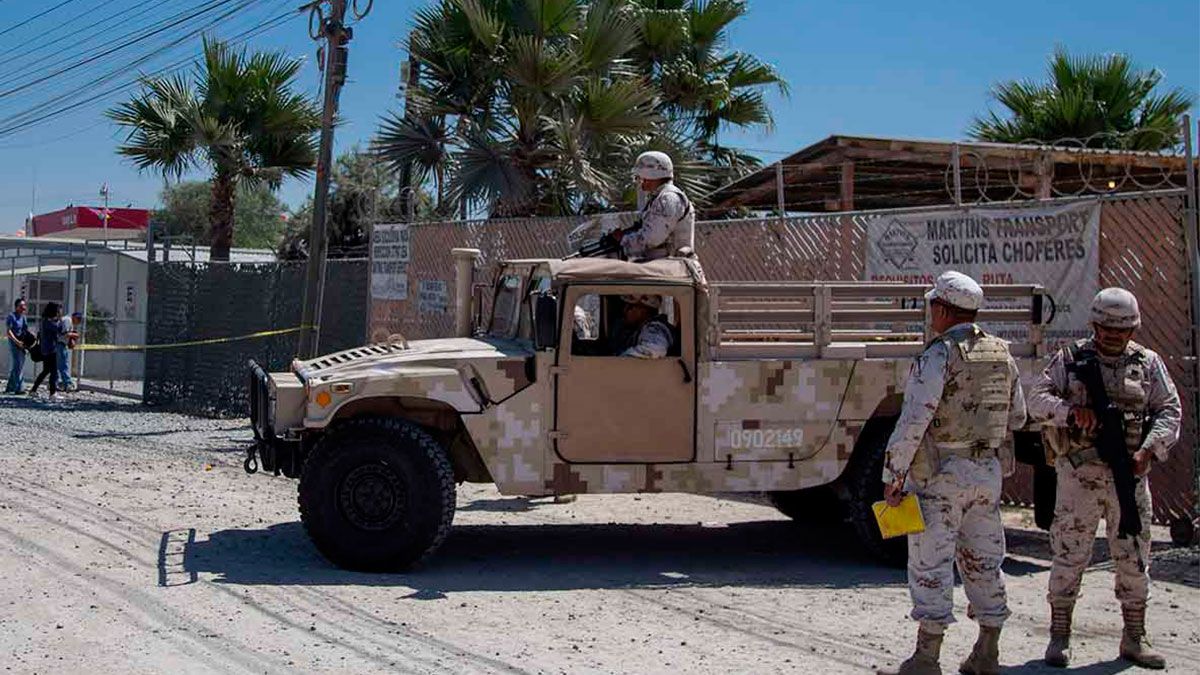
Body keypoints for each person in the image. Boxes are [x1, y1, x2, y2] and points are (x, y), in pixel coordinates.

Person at [877, 271, 1026, 675]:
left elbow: (913, 420)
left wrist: (894, 475)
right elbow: (1019, 415)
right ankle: (987, 652)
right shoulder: (1001, 353)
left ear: (942, 309)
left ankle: (927, 658)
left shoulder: (938, 355)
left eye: (932, 307)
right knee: (983, 560)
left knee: (931, 561)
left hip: (941, 473)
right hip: (987, 472)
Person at [1026, 288, 1180, 670]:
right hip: (1080, 475)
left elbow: (1169, 410)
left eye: (1122, 328)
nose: (1113, 335)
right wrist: (1070, 412)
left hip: (1129, 476)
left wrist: (1149, 450)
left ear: (1133, 328)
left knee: (1133, 556)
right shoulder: (1072, 359)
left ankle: (1134, 637)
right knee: (1069, 555)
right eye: (1107, 328)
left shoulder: (1148, 363)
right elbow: (1036, 399)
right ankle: (1059, 635)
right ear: (1094, 324)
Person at [611, 151, 695, 261]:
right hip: (659, 265)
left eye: (642, 177)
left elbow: (653, 238)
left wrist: (624, 239)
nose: (640, 182)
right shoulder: (658, 198)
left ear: (652, 175)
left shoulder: (669, 198)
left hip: (672, 267)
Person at [614, 295, 673, 359]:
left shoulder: (655, 329)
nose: (625, 310)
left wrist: (615, 363)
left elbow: (654, 349)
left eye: (630, 307)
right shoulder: (635, 329)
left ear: (643, 311)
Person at [29, 302, 63, 400]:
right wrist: (60, 319)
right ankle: (53, 393)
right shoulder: (48, 322)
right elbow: (59, 329)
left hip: (46, 349)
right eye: (58, 311)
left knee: (46, 371)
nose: (59, 312)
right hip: (50, 350)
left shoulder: (44, 321)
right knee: (53, 372)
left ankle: (33, 390)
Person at [5, 297, 29, 394]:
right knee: (18, 365)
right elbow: (9, 332)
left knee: (18, 365)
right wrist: (16, 342)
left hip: (22, 343)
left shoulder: (23, 317)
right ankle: (20, 387)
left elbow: (25, 330)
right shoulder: (12, 316)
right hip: (14, 343)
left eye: (24, 305)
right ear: (17, 307)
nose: (24, 307)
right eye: (22, 305)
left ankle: (10, 387)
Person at [56, 311, 81, 392]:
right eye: (78, 319)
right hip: (59, 344)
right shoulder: (68, 320)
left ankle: (54, 383)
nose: (78, 321)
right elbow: (65, 334)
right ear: (74, 317)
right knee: (63, 365)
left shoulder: (68, 321)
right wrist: (75, 335)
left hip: (59, 344)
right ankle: (68, 384)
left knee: (57, 365)